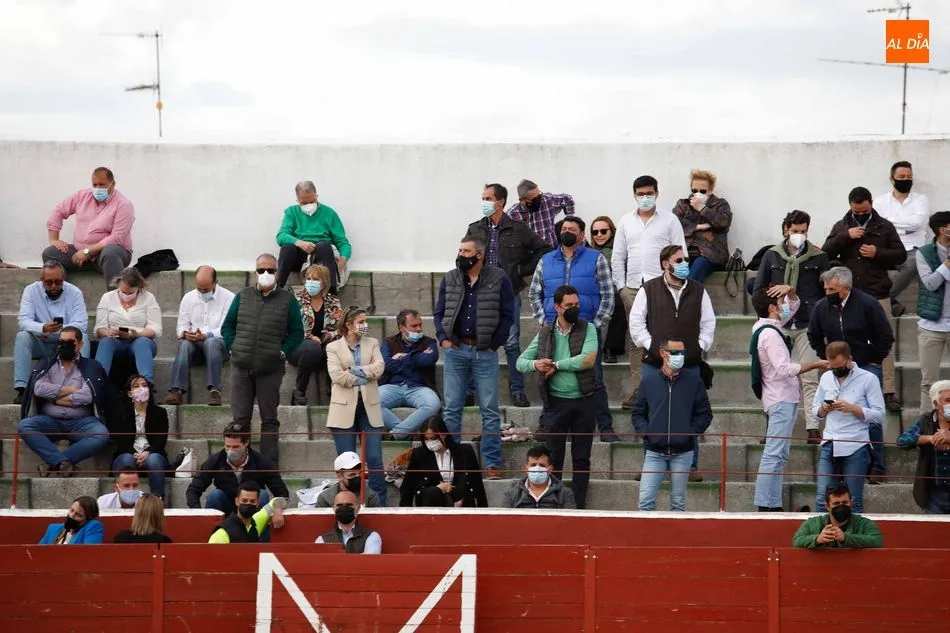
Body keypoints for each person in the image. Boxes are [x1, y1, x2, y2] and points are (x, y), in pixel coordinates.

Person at [629, 245, 716, 480]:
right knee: (652, 412)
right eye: (679, 260)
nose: (684, 263)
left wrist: (699, 347)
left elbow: (708, 323)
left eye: (685, 259)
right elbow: (636, 323)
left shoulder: (698, 290)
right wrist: (654, 347)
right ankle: (651, 464)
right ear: (665, 264)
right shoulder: (648, 289)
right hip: (654, 364)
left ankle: (690, 466)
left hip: (690, 363)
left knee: (690, 412)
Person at [529, 217, 619, 442]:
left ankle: (605, 428)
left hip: (585, 329)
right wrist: (544, 320)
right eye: (563, 228)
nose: (566, 231)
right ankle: (546, 425)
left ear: (581, 235)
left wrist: (595, 325)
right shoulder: (546, 260)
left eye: (571, 229)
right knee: (548, 376)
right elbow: (534, 293)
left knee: (594, 379)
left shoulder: (596, 258)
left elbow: (608, 294)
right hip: (554, 330)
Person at [434, 236, 515, 480]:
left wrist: (494, 344)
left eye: (466, 251)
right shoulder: (450, 277)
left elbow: (508, 314)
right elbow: (439, 312)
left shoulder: (499, 278)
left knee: (489, 410)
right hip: (456, 350)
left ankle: (491, 463)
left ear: (479, 254)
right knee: (452, 409)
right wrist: (443, 338)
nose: (461, 255)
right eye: (460, 250)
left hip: (484, 352)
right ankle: (452, 464)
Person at [821, 186, 906, 412]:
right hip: (848, 294)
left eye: (864, 211)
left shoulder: (884, 226)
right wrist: (845, 236)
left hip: (877, 292)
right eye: (856, 212)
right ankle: (849, 387)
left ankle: (888, 391)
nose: (860, 215)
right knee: (849, 340)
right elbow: (826, 252)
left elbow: (900, 254)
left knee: (884, 342)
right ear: (850, 206)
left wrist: (878, 253)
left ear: (871, 204)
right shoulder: (841, 226)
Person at [467, 183, 550, 407]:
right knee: (476, 341)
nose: (484, 202)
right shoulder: (475, 229)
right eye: (483, 198)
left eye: (488, 198)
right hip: (480, 294)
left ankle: (517, 390)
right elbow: (462, 256)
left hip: (508, 293)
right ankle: (470, 391)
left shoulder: (518, 228)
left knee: (511, 343)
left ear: (500, 201)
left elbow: (543, 249)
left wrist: (521, 270)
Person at [808, 267, 893, 484]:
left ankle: (877, 466)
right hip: (836, 369)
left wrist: (875, 358)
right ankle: (841, 464)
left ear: (846, 288)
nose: (828, 293)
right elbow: (813, 335)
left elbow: (885, 335)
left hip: (866, 365)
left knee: (871, 417)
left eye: (832, 289)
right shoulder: (821, 307)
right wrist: (827, 357)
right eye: (826, 289)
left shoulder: (868, 304)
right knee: (838, 412)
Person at [752, 210, 830, 443]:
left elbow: (825, 291)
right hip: (780, 322)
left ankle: (812, 428)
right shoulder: (772, 255)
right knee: (774, 376)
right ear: (786, 229)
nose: (799, 235)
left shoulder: (819, 256)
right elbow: (758, 289)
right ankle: (772, 427)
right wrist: (772, 305)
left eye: (803, 231)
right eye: (795, 230)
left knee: (810, 377)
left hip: (807, 321)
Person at [517, 285, 598, 508]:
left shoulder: (588, 328)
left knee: (582, 458)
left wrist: (556, 365)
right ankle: (554, 505)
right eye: (569, 305)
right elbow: (521, 362)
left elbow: (588, 359)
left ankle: (578, 507)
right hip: (556, 403)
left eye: (577, 304)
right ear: (557, 307)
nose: (574, 308)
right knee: (555, 458)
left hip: (584, 401)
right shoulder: (545, 333)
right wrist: (536, 364)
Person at [221, 253, 304, 464]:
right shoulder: (243, 296)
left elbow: (297, 332)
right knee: (240, 420)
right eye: (261, 270)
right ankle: (240, 463)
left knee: (269, 419)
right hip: (241, 367)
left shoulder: (288, 299)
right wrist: (233, 347)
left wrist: (282, 351)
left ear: (277, 272)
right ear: (255, 272)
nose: (265, 273)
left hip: (271, 368)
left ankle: (268, 467)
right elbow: (227, 327)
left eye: (270, 270)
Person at [612, 175, 687, 408]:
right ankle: (639, 391)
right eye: (641, 194)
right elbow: (618, 256)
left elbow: (680, 254)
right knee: (636, 339)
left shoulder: (670, 220)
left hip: (663, 288)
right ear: (634, 195)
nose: (645, 198)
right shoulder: (626, 221)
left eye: (649, 193)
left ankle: (667, 387)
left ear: (657, 193)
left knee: (665, 336)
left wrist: (677, 284)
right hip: (633, 288)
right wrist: (621, 287)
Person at [750, 288, 828, 511]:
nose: (784, 306)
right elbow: (784, 369)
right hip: (780, 398)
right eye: (780, 303)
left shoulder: (766, 326)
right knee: (774, 453)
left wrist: (791, 292)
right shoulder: (770, 334)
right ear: (772, 308)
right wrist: (815, 364)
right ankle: (765, 505)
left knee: (779, 453)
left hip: (781, 397)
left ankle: (773, 503)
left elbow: (793, 307)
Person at [18, 326, 113, 477]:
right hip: (50, 420)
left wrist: (55, 399)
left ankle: (54, 463)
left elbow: (88, 395)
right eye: (61, 342)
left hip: (82, 421)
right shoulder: (47, 363)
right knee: (25, 426)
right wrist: (72, 389)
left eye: (69, 342)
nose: (64, 346)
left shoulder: (91, 366)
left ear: (80, 344)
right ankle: (63, 464)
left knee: (101, 435)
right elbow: (39, 389)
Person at [632, 338, 713, 511]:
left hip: (683, 452)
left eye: (683, 353)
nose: (680, 356)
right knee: (645, 501)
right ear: (663, 353)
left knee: (678, 503)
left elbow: (705, 413)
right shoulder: (648, 382)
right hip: (654, 452)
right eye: (676, 352)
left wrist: (690, 433)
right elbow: (637, 413)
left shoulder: (694, 381)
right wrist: (647, 433)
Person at [812, 341, 885, 513]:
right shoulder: (826, 377)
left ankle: (855, 531)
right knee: (822, 498)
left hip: (856, 444)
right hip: (829, 441)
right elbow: (814, 412)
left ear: (849, 359)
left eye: (839, 367)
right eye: (832, 368)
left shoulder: (868, 378)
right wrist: (824, 408)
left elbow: (880, 415)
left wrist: (853, 408)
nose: (835, 371)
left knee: (854, 500)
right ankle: (823, 530)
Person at [326, 306, 388, 504]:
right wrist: (366, 375)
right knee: (347, 463)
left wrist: (353, 370)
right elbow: (337, 376)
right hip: (343, 409)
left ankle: (379, 505)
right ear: (348, 325)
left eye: (365, 321)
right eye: (360, 322)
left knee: (375, 460)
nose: (365, 325)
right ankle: (348, 503)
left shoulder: (373, 343)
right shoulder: (333, 347)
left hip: (369, 408)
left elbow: (379, 368)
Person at [42, 166, 135, 288]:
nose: (98, 188)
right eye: (95, 185)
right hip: (80, 253)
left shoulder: (124, 205)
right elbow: (58, 211)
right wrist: (54, 239)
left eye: (102, 185)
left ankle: (115, 297)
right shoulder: (81, 196)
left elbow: (117, 237)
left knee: (111, 252)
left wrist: (87, 251)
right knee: (49, 253)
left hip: (108, 255)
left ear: (112, 184)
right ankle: (63, 293)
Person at [13, 260, 89, 404]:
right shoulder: (31, 290)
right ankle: (22, 390)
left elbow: (82, 324)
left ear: (63, 279)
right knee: (22, 337)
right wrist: (42, 328)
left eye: (58, 282)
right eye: (48, 282)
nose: (54, 286)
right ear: (41, 280)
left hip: (66, 343)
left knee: (83, 338)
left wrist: (62, 330)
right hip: (42, 342)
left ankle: (85, 385)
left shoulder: (75, 292)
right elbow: (23, 321)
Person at [165, 265, 235, 406]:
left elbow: (226, 329)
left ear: (215, 283)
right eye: (199, 289)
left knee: (211, 342)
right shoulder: (188, 298)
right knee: (185, 344)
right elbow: (182, 325)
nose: (202, 292)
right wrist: (185, 334)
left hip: (219, 347)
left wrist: (206, 335)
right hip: (195, 346)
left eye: (206, 289)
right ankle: (176, 390)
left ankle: (215, 391)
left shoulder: (229, 298)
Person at [186, 424, 290, 514]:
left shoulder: (262, 462)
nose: (230, 451)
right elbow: (193, 489)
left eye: (235, 447)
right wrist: (197, 512)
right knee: (214, 496)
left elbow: (282, 493)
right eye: (227, 446)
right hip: (226, 506)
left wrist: (277, 510)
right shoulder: (215, 461)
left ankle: (257, 531)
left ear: (246, 443)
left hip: (252, 508)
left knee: (262, 495)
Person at [874, 161, 930, 316]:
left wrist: (888, 222)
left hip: (912, 248)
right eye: (901, 177)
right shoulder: (880, 201)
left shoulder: (921, 200)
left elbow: (918, 223)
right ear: (892, 179)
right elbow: (877, 225)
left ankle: (886, 299)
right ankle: (892, 304)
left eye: (909, 177)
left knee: (914, 263)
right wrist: (906, 228)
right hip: (887, 247)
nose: (906, 180)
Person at [276, 180, 351, 291]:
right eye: (304, 203)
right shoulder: (291, 212)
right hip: (299, 257)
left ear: (316, 196)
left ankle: (331, 293)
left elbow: (342, 242)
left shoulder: (329, 213)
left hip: (321, 257)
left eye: (312, 201)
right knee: (287, 248)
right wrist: (299, 242)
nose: (309, 205)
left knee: (324, 246)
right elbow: (281, 236)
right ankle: (277, 289)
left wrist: (344, 257)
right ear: (297, 200)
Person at [400, 415, 488, 507]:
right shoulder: (419, 454)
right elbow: (407, 487)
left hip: (461, 503)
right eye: (426, 439)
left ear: (444, 434)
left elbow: (477, 484)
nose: (430, 442)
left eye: (433, 438)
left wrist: (482, 509)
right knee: (433, 492)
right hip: (431, 504)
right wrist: (439, 489)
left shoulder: (465, 452)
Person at [379, 309, 441, 440]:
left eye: (420, 325)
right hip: (392, 386)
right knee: (369, 401)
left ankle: (396, 434)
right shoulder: (388, 342)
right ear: (402, 328)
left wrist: (402, 357)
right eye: (414, 326)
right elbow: (387, 365)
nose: (419, 329)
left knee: (433, 404)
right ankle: (407, 434)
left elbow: (428, 360)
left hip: (419, 387)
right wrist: (417, 357)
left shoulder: (429, 342)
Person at [93, 266, 161, 383]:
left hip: (139, 340)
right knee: (106, 342)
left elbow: (156, 329)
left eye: (131, 293)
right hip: (116, 340)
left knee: (142, 343)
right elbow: (99, 328)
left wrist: (136, 334)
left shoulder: (148, 298)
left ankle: (147, 385)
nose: (126, 295)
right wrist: (108, 332)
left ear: (139, 288)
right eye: (123, 292)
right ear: (118, 284)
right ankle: (98, 384)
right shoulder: (107, 297)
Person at [289, 264, 343, 405]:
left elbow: (340, 327)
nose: (310, 282)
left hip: (324, 348)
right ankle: (299, 391)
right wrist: (309, 336)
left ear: (324, 282)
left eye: (315, 279)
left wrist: (329, 335)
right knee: (312, 348)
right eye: (308, 278)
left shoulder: (333, 301)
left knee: (334, 348)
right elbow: (289, 327)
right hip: (299, 347)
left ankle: (334, 391)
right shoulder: (295, 300)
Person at [913, 211, 950, 410]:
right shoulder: (924, 253)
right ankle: (928, 424)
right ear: (943, 230)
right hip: (931, 326)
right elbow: (930, 283)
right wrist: (947, 264)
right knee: (929, 382)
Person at [110, 374, 169, 500]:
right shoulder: (121, 412)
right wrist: (134, 454)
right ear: (130, 394)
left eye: (144, 385)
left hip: (151, 453)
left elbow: (161, 439)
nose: (141, 388)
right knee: (126, 459)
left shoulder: (160, 412)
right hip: (128, 453)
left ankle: (158, 499)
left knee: (154, 459)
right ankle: (124, 499)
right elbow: (121, 440)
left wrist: (148, 452)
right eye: (136, 386)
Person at [898, 380, 950, 514]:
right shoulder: (926, 420)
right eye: (948, 400)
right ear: (936, 404)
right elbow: (902, 441)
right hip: (934, 496)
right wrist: (930, 438)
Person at [672, 169, 733, 282]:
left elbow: (723, 222)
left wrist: (702, 208)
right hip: (685, 253)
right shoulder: (683, 204)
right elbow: (674, 223)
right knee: (676, 271)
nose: (698, 194)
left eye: (703, 191)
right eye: (694, 190)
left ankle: (688, 292)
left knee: (698, 267)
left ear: (710, 190)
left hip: (710, 255)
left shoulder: (720, 204)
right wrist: (698, 227)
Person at [791, 483, 883, 549]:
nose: (841, 506)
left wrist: (845, 538)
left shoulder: (864, 523)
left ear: (851, 503)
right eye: (836, 503)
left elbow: (877, 541)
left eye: (845, 502)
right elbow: (797, 541)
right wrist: (817, 539)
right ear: (827, 507)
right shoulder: (813, 523)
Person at [589, 216, 625, 363]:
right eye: (595, 232)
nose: (599, 235)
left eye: (603, 231)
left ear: (612, 231)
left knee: (620, 304)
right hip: (593, 292)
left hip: (614, 291)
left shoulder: (620, 250)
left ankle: (611, 348)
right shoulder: (588, 251)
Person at [208, 480, 288, 544]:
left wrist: (277, 510)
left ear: (257, 503)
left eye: (252, 501)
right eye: (244, 500)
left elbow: (279, 500)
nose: (248, 504)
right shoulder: (222, 534)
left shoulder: (256, 522)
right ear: (237, 501)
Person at [500, 445, 577, 509]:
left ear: (550, 469)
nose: (537, 468)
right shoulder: (511, 494)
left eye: (542, 465)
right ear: (526, 469)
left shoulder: (565, 494)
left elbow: (570, 521)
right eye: (533, 465)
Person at [506, 178, 575, 247]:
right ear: (522, 200)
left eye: (539, 195)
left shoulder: (547, 200)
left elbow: (567, 199)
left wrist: (569, 219)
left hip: (552, 249)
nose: (538, 200)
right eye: (534, 199)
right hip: (531, 252)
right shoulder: (512, 215)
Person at [315, 490, 382, 554]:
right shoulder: (321, 540)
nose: (344, 508)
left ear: (358, 508)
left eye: (349, 505)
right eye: (339, 505)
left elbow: (369, 560)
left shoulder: (372, 536)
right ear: (334, 508)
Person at [315, 451, 381, 508]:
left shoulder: (371, 496)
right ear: (339, 476)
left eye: (360, 473)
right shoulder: (325, 498)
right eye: (352, 475)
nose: (357, 477)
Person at [38, 496, 104, 545]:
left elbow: (89, 553)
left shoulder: (93, 526)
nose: (71, 516)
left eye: (79, 515)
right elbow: (39, 552)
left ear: (88, 519)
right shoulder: (53, 528)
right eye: (72, 510)